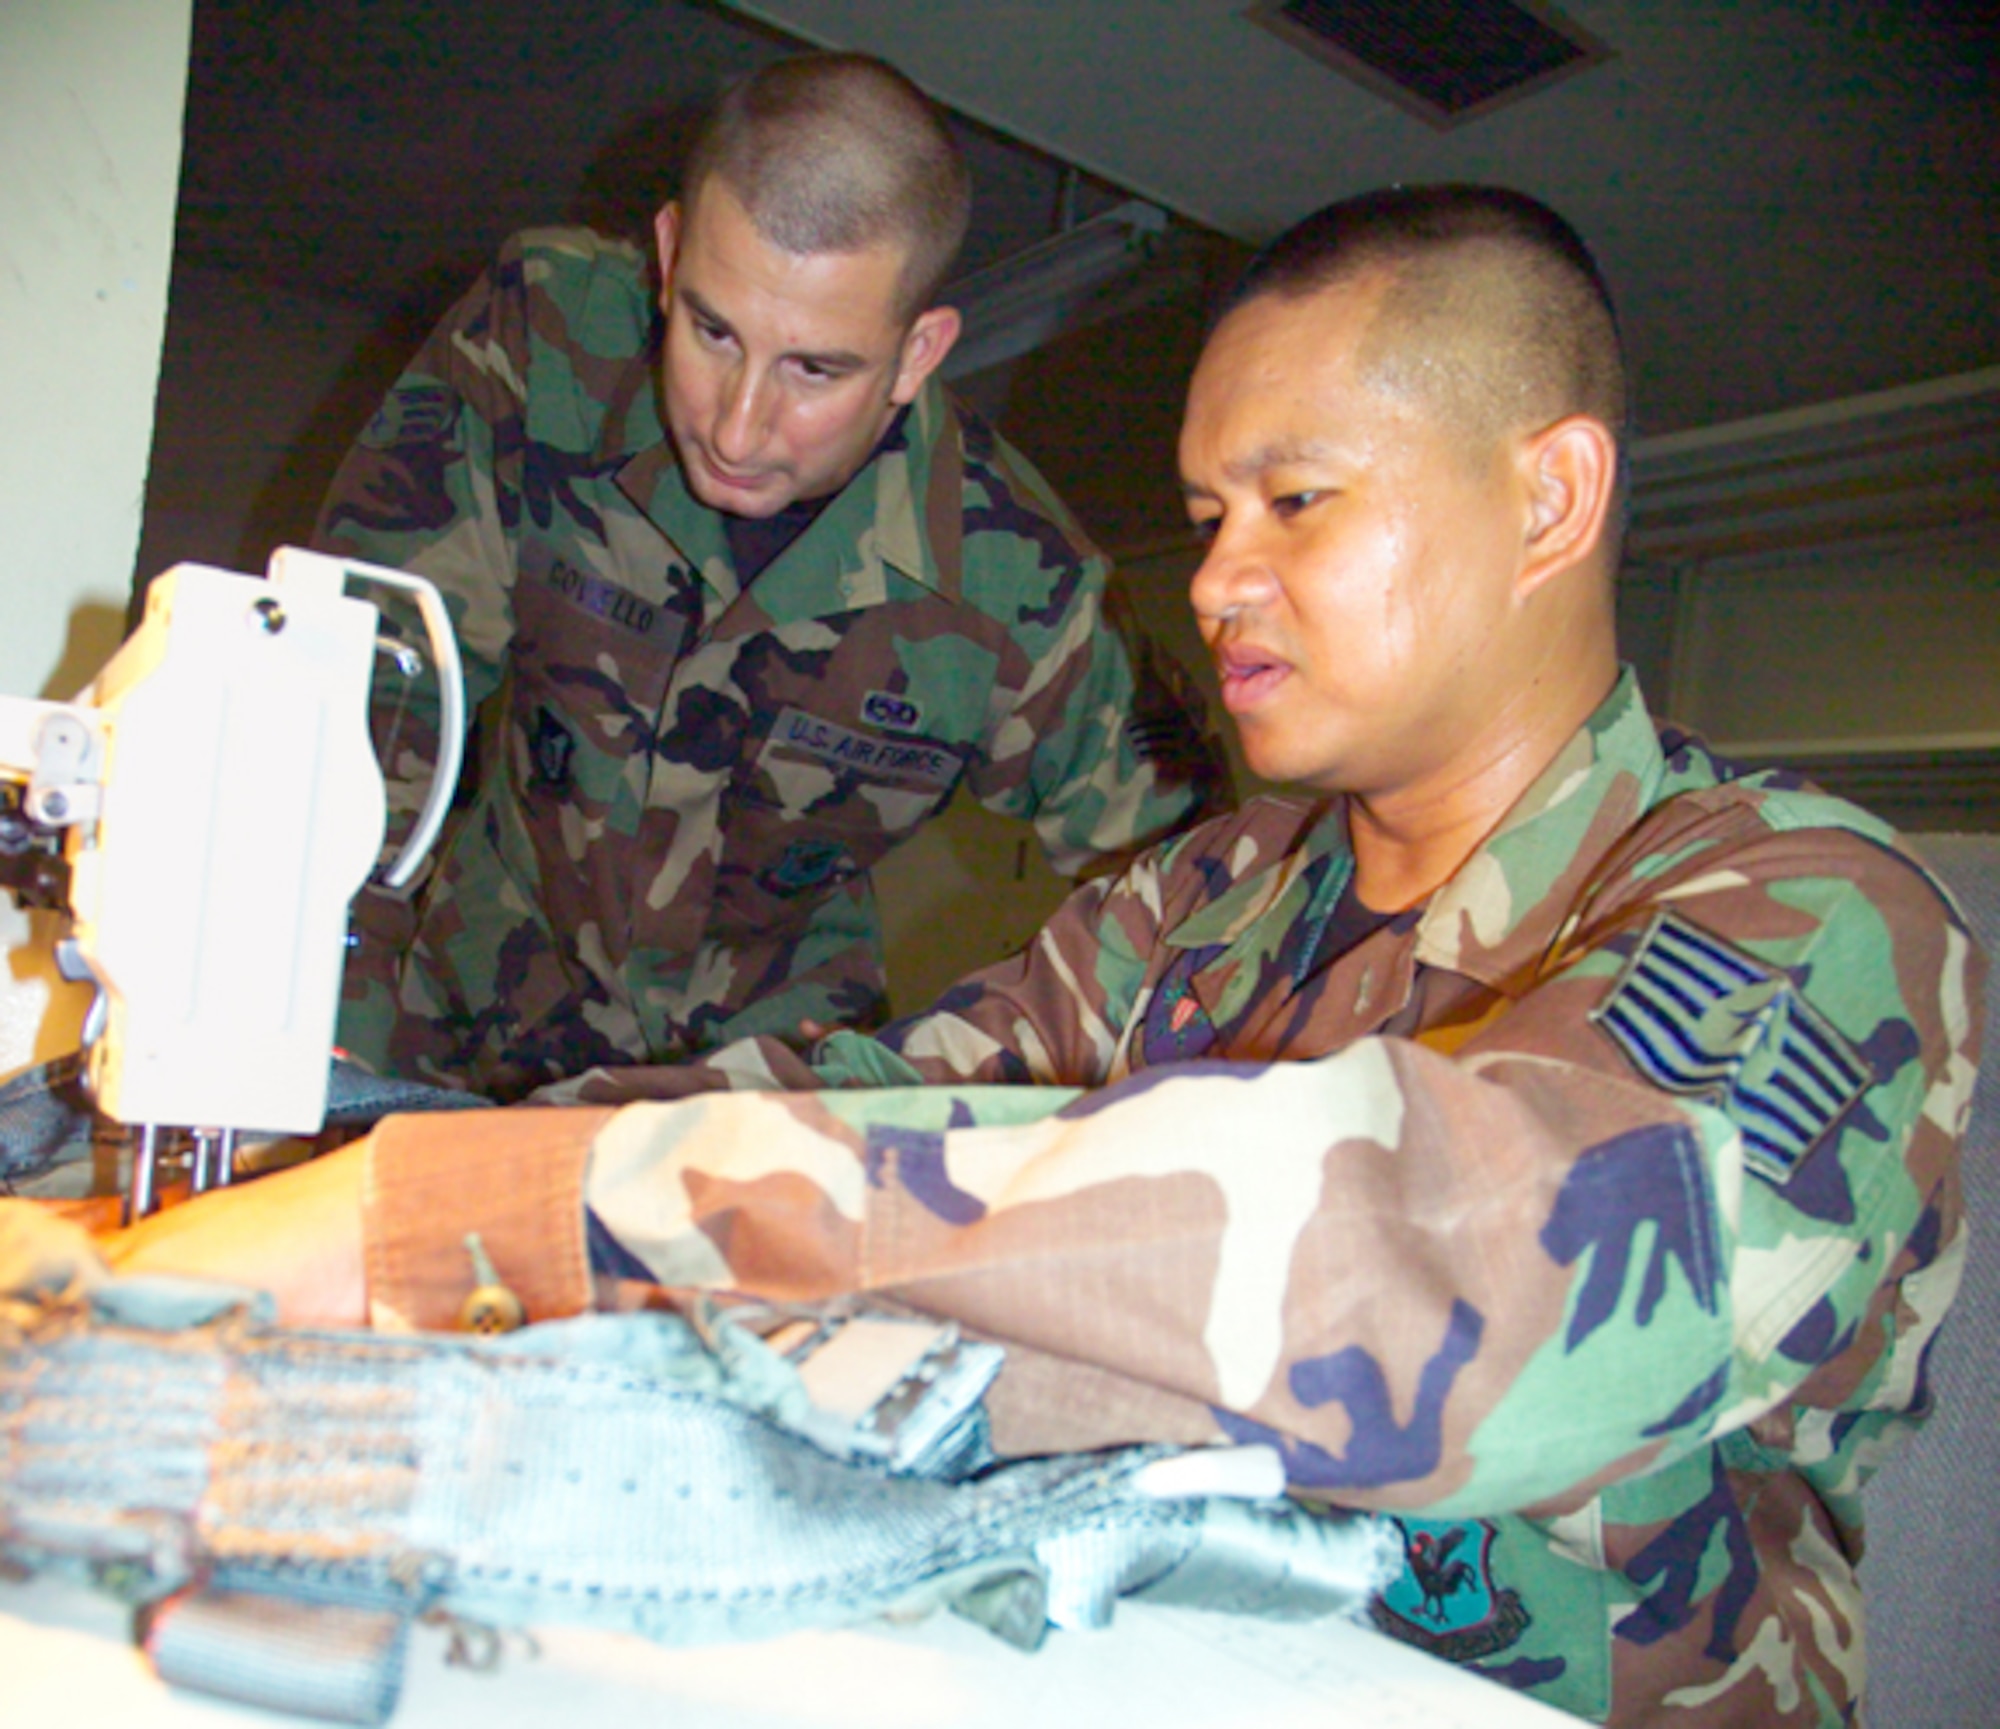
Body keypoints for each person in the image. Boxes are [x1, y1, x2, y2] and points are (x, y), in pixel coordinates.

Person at [112, 186, 1983, 1726]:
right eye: (1206, 520)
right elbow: (893, 1101)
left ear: (1550, 498)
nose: (1221, 578)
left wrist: (514, 1215)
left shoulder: (1812, 911)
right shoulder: (1216, 894)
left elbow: (1457, 1274)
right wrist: (353, 1161)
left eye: (1297, 502)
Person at [323, 51, 1225, 1102]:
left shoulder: (1018, 585)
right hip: (460, 1032)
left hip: (763, 1104)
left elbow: (1197, 900)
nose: (736, 426)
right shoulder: (542, 346)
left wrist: (988, 1104)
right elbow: (361, 693)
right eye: (710, 330)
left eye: (815, 369)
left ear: (918, 352)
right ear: (666, 255)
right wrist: (312, 1031)